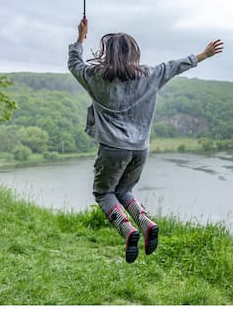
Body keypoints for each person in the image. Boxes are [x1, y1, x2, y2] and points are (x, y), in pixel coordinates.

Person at [68, 19, 224, 263]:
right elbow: (175, 66)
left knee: (104, 192)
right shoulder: (150, 75)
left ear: (107, 53)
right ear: (133, 53)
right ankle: (146, 223)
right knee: (125, 190)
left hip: (112, 149)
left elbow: (74, 64)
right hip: (140, 149)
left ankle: (128, 231)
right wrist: (203, 55)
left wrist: (80, 38)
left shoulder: (95, 76)